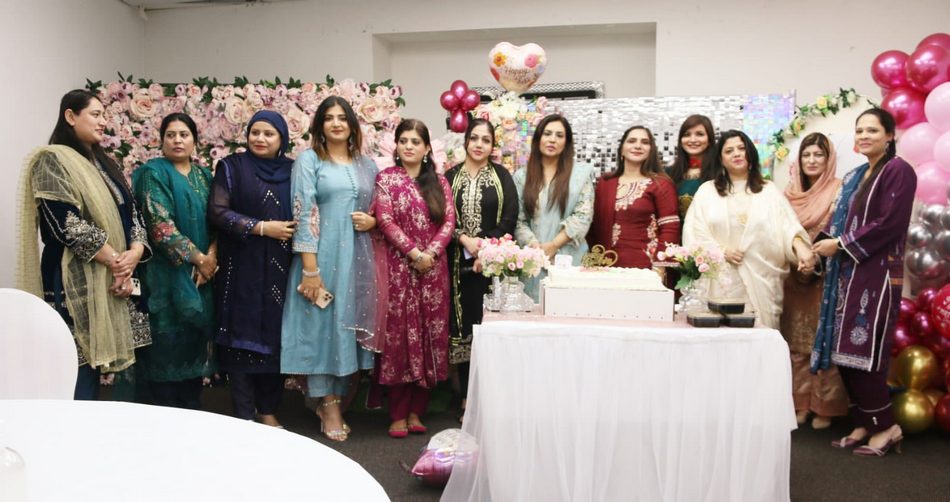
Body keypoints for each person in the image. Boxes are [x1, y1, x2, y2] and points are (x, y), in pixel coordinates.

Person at [17, 89, 151, 400]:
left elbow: (133, 215)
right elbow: (66, 224)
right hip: (74, 280)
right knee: (79, 368)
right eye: (96, 114)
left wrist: (134, 254)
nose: (104, 122)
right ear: (70, 116)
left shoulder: (105, 164)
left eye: (104, 115)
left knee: (126, 371)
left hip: (117, 278)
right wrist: (117, 261)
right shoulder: (51, 161)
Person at [811, 109, 916, 456]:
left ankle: (887, 427)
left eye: (873, 130)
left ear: (890, 135)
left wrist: (839, 245)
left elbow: (890, 223)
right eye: (859, 130)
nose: (865, 136)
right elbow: (838, 222)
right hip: (845, 276)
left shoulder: (898, 171)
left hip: (876, 275)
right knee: (843, 354)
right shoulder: (856, 174)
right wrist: (815, 248)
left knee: (864, 353)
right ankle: (864, 422)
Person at [281, 96, 384, 441]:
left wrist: (372, 221)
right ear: (320, 126)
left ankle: (340, 395)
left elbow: (379, 208)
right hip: (322, 256)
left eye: (343, 118)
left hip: (359, 257)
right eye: (329, 118)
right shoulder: (310, 161)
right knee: (321, 326)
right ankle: (327, 402)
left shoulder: (367, 164)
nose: (336, 123)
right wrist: (310, 270)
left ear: (353, 125)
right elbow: (303, 211)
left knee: (347, 324)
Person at [209, 110, 296, 427]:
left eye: (268, 133)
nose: (260, 139)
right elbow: (218, 212)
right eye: (255, 132)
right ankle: (244, 413)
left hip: (283, 266)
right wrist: (260, 227)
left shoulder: (294, 170)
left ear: (281, 139)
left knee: (276, 337)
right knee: (240, 338)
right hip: (241, 265)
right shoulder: (232, 167)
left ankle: (268, 410)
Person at [683, 130, 815, 330]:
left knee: (759, 342)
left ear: (750, 153)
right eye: (729, 151)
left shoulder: (768, 191)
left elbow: (787, 226)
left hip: (762, 282)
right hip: (720, 283)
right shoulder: (707, 192)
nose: (736, 153)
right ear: (721, 158)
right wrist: (721, 251)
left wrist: (802, 248)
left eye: (741, 148)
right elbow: (694, 232)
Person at [373, 119, 456, 438]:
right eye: (403, 141)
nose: (408, 146)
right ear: (395, 146)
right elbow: (385, 219)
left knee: (428, 334)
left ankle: (416, 412)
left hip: (434, 272)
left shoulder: (439, 182)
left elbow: (449, 221)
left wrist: (431, 253)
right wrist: (413, 253)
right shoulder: (386, 179)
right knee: (400, 338)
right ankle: (396, 413)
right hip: (398, 269)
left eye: (415, 141)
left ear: (426, 148)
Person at [132, 112, 216, 409]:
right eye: (171, 134)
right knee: (165, 348)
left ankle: (191, 412)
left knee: (194, 343)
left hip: (202, 275)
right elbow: (159, 225)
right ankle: (163, 419)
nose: (177, 140)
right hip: (165, 275)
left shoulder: (204, 176)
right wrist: (198, 259)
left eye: (184, 134)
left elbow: (218, 219)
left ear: (195, 140)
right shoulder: (152, 173)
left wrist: (211, 260)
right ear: (162, 140)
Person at [444, 118, 518, 422]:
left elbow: (509, 218)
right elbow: (443, 216)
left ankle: (490, 397)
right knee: (461, 328)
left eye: (485, 140)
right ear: (465, 142)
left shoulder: (502, 177)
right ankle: (464, 398)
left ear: (493, 146)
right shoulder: (449, 177)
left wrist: (486, 250)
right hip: (454, 265)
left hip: (492, 266)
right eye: (474, 138)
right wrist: (463, 239)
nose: (478, 144)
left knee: (487, 328)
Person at [780, 133, 849, 429]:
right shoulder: (788, 193)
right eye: (806, 155)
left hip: (827, 275)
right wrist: (799, 259)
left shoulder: (840, 190)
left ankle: (824, 406)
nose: (811, 160)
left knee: (824, 341)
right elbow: (779, 230)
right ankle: (799, 403)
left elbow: (842, 231)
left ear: (828, 159)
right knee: (795, 341)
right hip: (794, 275)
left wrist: (817, 258)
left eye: (818, 155)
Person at [513, 114, 594, 300]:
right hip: (531, 257)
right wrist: (536, 248)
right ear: (538, 139)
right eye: (547, 134)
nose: (552, 139)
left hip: (570, 257)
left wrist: (554, 245)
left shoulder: (581, 174)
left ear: (566, 142)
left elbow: (583, 215)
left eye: (559, 135)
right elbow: (518, 219)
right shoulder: (521, 177)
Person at [588, 125, 680, 269]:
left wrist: (660, 267)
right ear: (622, 149)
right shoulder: (606, 182)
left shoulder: (660, 183)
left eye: (645, 142)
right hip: (606, 266)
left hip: (646, 268)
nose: (638, 146)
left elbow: (670, 227)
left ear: (651, 150)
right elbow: (593, 225)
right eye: (631, 141)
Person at [667, 114, 716, 219]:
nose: (692, 139)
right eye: (687, 134)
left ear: (709, 139)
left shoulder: (721, 172)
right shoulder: (668, 174)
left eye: (699, 134)